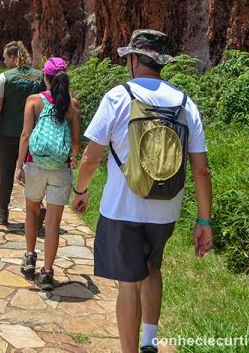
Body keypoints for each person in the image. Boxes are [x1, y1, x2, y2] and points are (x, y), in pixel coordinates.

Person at [71, 29, 213, 353]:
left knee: (128, 284)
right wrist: (204, 221)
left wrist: (80, 189)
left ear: (134, 60)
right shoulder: (184, 102)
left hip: (122, 209)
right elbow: (201, 168)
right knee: (153, 268)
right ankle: (150, 341)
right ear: (161, 62)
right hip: (166, 209)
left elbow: (92, 156)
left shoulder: (118, 96)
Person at [14, 57, 80, 290]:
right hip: (60, 169)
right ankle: (48, 272)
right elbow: (75, 143)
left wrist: (20, 165)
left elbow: (25, 135)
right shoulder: (72, 105)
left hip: (35, 165)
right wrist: (72, 158)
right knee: (53, 222)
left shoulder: (34, 101)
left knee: (32, 212)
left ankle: (30, 256)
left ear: (46, 77)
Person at [0, 41, 45, 225]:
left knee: (6, 173)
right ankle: (38, 209)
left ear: (13, 57)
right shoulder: (40, 77)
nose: (4, 61)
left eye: (5, 57)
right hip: (33, 134)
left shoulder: (4, 78)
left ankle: (3, 212)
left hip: (8, 134)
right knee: (34, 172)